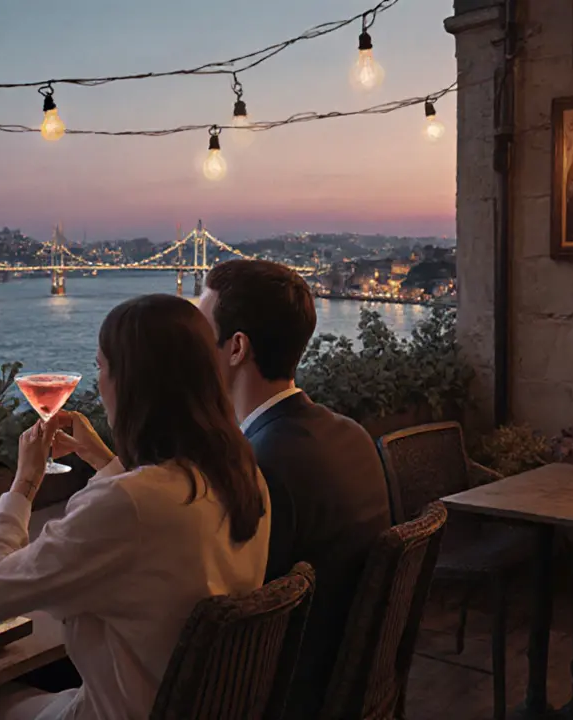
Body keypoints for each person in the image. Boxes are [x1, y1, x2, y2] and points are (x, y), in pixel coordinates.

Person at [0, 294, 271, 720]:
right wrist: (103, 459)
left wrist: (24, 483)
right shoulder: (245, 476)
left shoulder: (128, 507)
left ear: (130, 383)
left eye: (100, 367)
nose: (99, 384)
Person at [198, 258, 391, 720]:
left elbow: (231, 608)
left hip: (285, 696)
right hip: (350, 681)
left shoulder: (260, 467)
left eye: (201, 336)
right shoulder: (352, 435)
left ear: (236, 347)